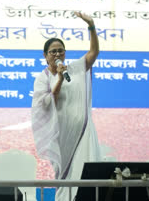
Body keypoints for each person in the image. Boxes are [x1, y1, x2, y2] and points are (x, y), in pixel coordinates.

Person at [31, 12, 102, 201]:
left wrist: (91, 26)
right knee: (66, 177)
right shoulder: (43, 78)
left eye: (60, 50)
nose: (57, 54)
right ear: (45, 56)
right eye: (53, 51)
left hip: (83, 133)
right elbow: (45, 103)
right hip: (62, 135)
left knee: (88, 174)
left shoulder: (75, 69)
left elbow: (94, 53)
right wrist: (60, 79)